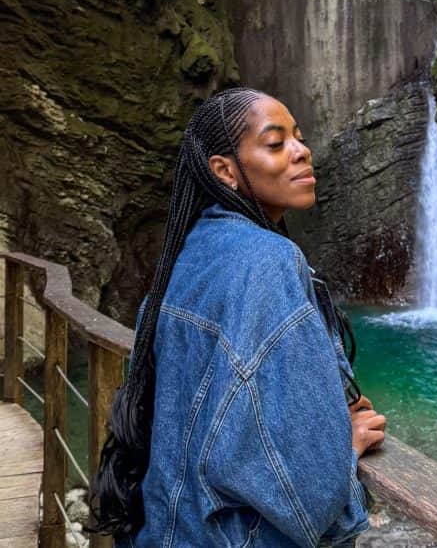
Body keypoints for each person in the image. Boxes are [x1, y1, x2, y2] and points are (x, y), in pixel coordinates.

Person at [90, 87, 387, 547]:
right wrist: (340, 444)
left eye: (300, 138)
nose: (302, 151)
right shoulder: (269, 260)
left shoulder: (183, 260)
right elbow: (308, 488)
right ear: (224, 170)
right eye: (275, 143)